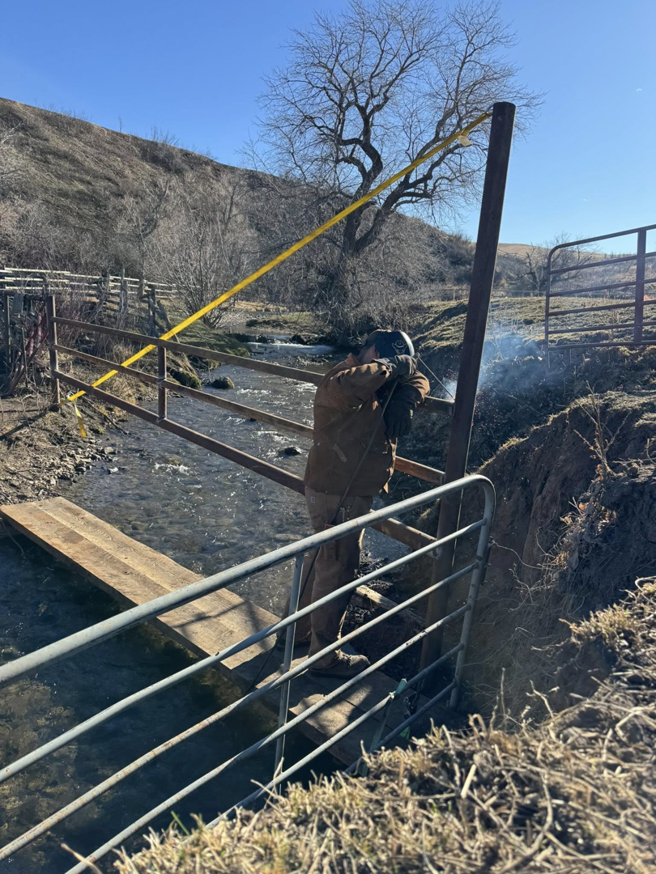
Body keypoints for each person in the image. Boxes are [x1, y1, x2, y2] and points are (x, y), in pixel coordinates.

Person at [284, 329, 430, 679]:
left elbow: (418, 374)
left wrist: (407, 395)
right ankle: (324, 658)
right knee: (337, 571)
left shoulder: (378, 379)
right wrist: (390, 367)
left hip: (341, 491)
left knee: (323, 561)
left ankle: (294, 637)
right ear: (375, 354)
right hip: (338, 493)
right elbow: (348, 387)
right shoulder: (341, 378)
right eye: (382, 361)